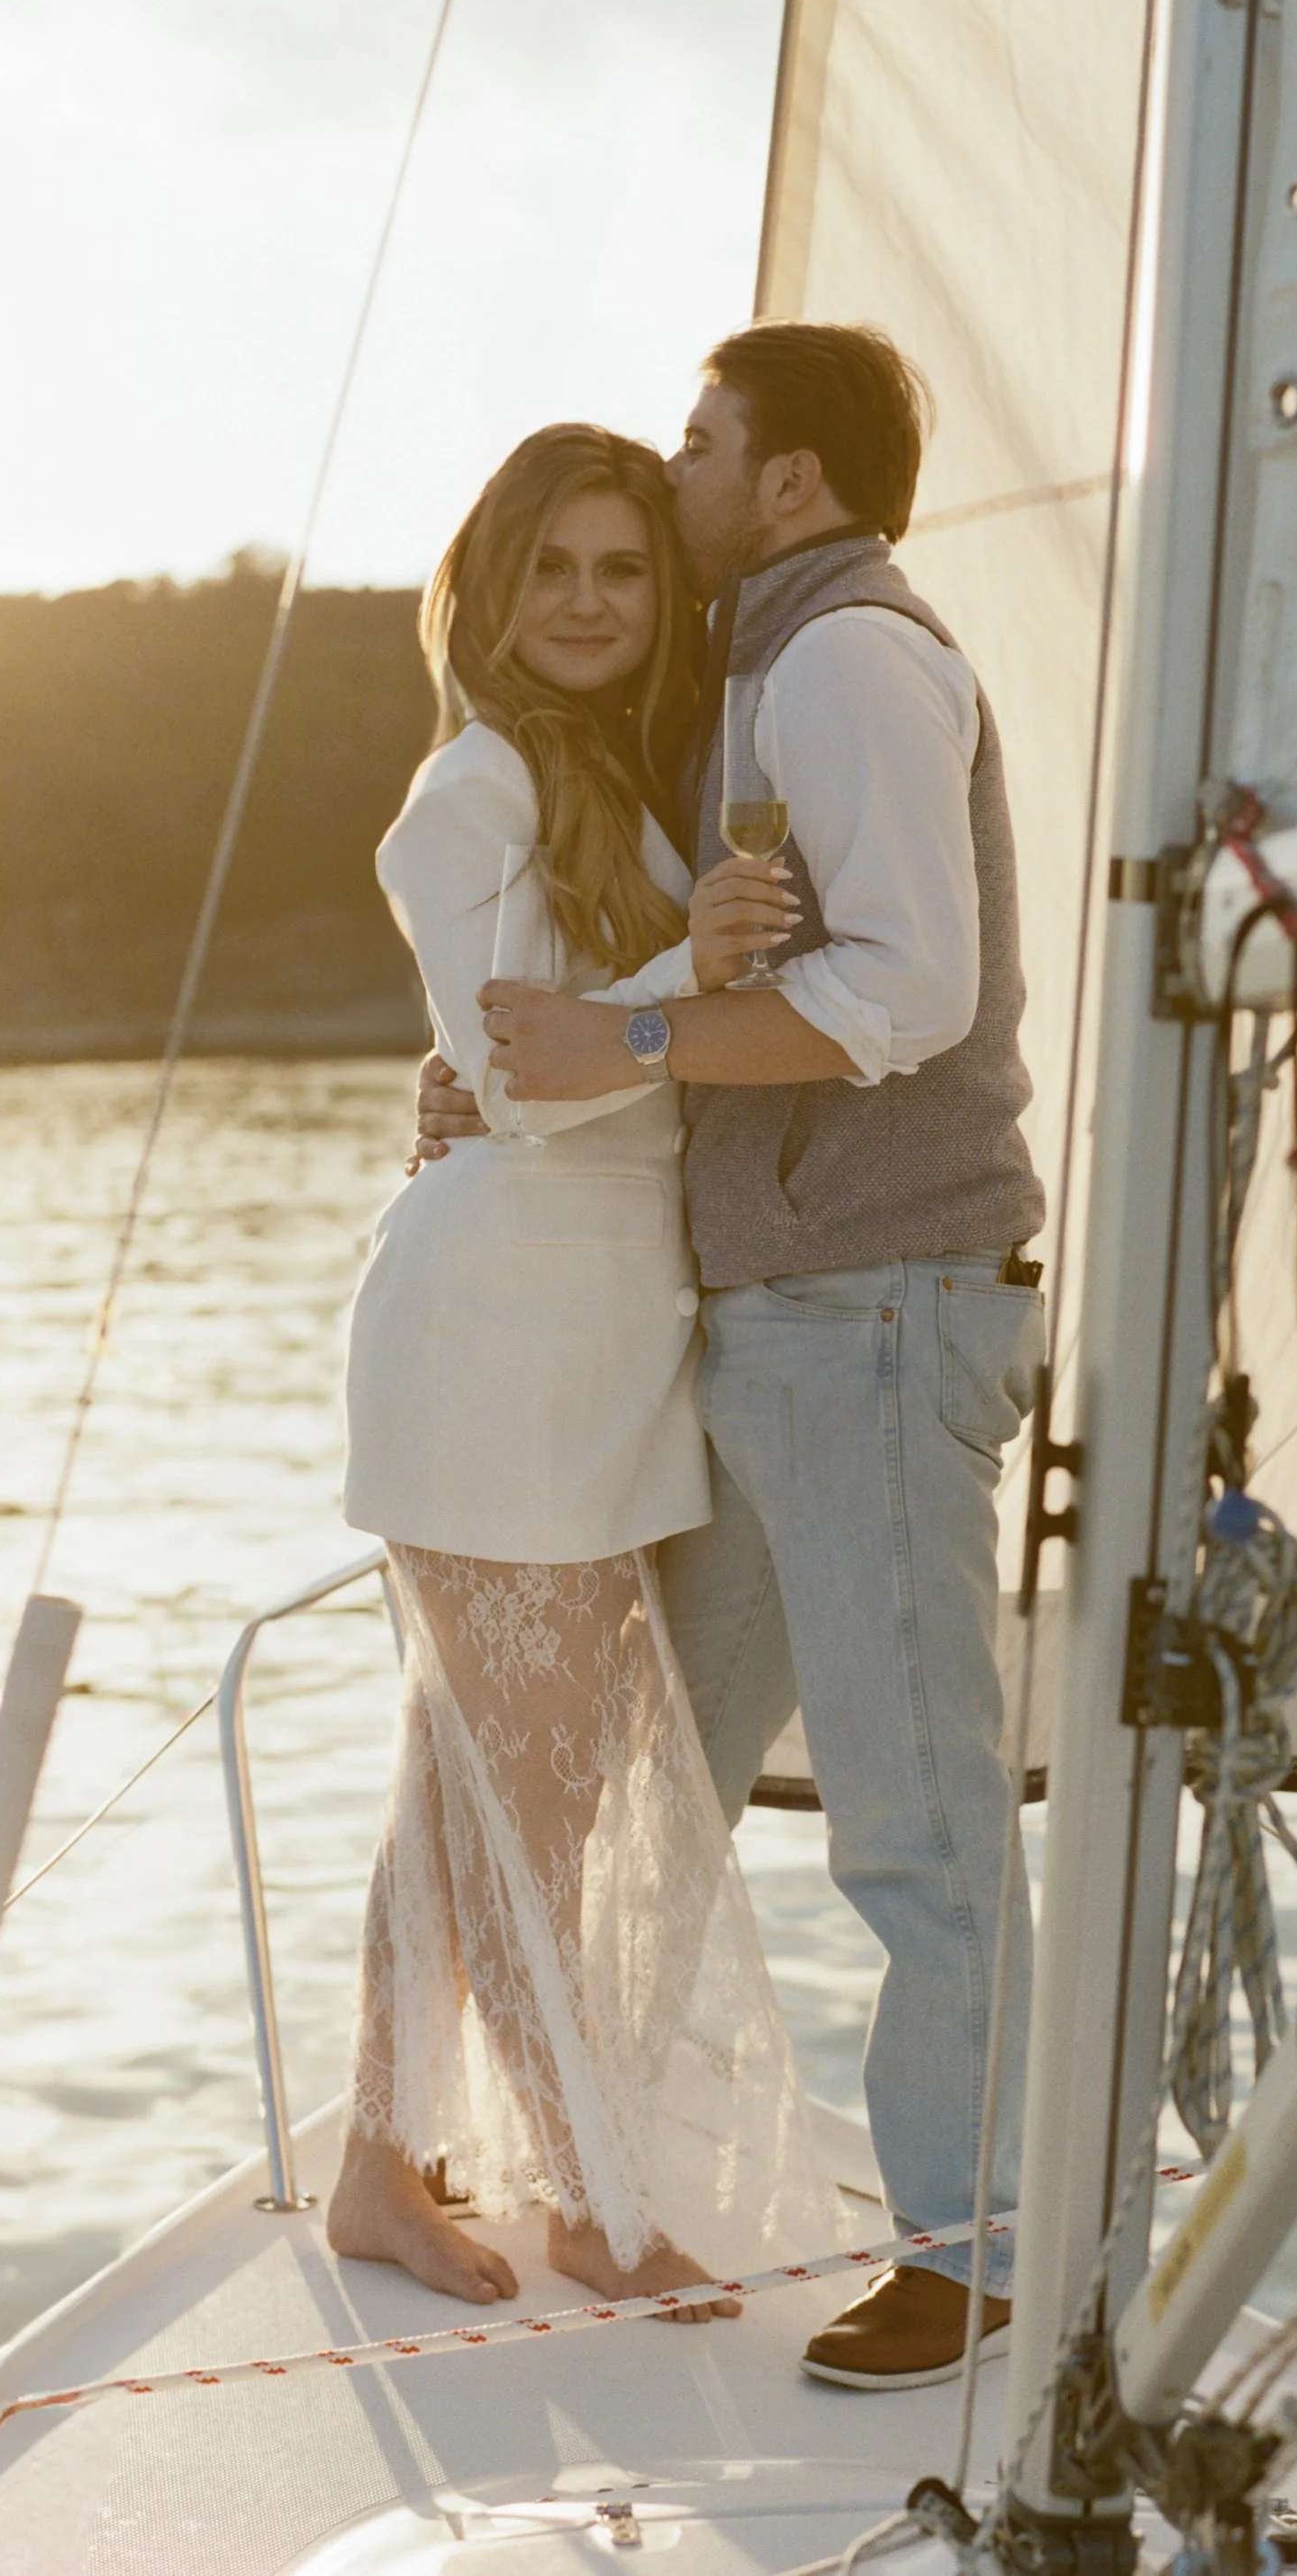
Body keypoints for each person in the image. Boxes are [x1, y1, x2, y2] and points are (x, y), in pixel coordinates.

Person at [421, 324, 1048, 2388]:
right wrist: (501, 1075)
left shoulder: (848, 655)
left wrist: (621, 1034)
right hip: (781, 1321)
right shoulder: (757, 667)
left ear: (785, 483)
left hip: (874, 1311)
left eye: (699, 446)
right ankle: (600, 2169)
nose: (673, 471)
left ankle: (975, 2247)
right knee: (664, 1770)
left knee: (909, 1809)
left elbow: (908, 992)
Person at [330, 421, 843, 2320]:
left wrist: (653, 986)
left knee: (477, 1781)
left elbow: (561, 1053)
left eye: (623, 569)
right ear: (490, 586)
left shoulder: (620, 783)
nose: (587, 601)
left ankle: (378, 2166)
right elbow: (527, 1080)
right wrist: (689, 972)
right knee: (537, 1797)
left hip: (604, 1342)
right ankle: (588, 2200)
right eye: (551, 566)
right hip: (497, 1343)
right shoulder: (464, 792)